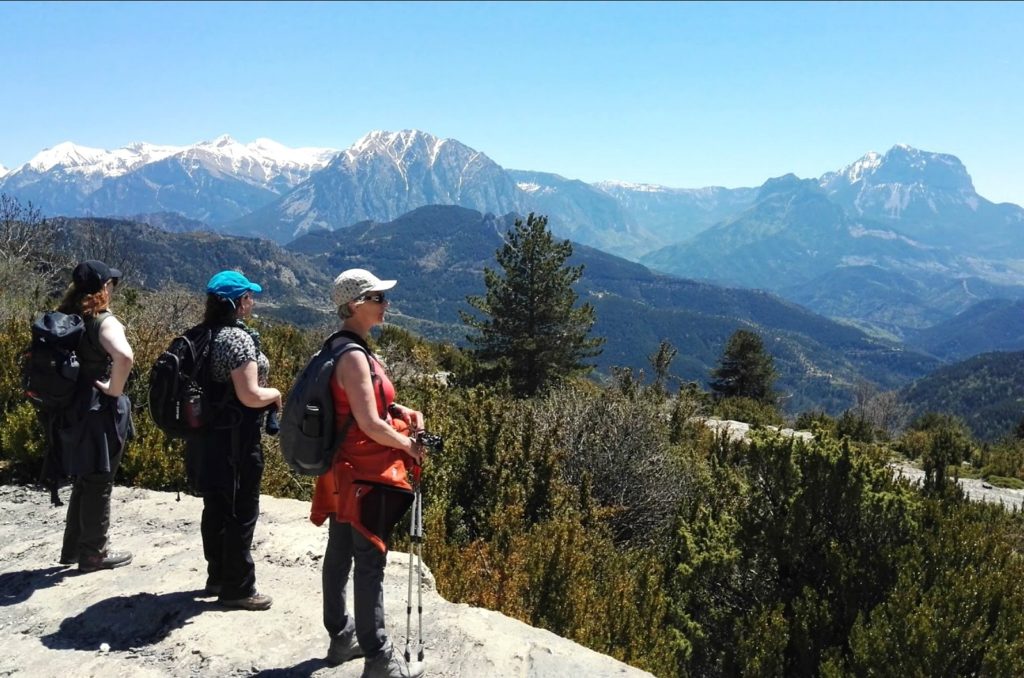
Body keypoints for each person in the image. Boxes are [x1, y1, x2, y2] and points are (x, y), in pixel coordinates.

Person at [310, 268, 427, 678]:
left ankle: (341, 636)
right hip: (364, 474)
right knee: (370, 558)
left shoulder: (341, 347)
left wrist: (401, 411)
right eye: (378, 297)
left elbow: (372, 409)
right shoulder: (355, 357)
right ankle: (378, 657)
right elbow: (369, 424)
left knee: (340, 551)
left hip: (342, 473)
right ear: (357, 305)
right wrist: (410, 446)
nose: (386, 303)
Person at [186, 270, 282, 611]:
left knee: (215, 506)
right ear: (237, 302)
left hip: (206, 438)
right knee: (242, 510)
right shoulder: (236, 340)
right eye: (248, 297)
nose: (252, 302)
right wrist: (276, 394)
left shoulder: (200, 334)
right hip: (236, 440)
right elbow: (250, 394)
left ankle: (217, 576)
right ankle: (238, 587)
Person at [57, 259, 135, 573]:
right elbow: (124, 356)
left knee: (85, 477)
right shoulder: (103, 321)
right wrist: (115, 391)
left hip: (72, 407)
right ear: (104, 287)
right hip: (98, 410)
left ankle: (74, 547)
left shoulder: (66, 316)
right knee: (100, 479)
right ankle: (94, 553)